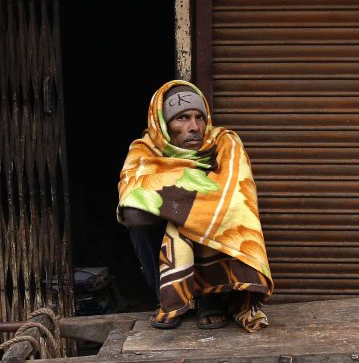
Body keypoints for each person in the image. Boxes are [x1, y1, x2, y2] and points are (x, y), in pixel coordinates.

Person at [117, 80, 273, 331]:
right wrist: (183, 208)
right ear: (164, 125)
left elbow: (237, 200)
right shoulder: (144, 151)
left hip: (214, 237)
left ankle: (211, 297)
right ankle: (166, 297)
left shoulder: (225, 143)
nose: (194, 127)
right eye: (182, 118)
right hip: (165, 233)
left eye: (199, 117)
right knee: (151, 220)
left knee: (213, 211)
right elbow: (133, 213)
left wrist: (177, 203)